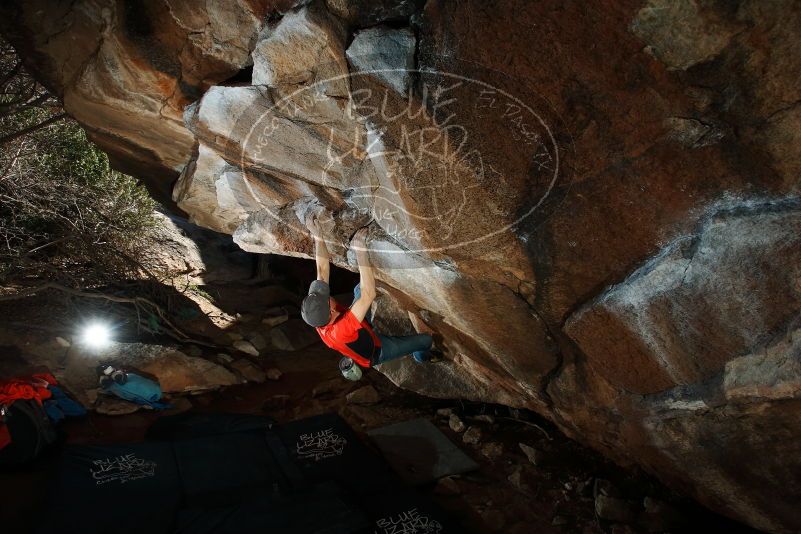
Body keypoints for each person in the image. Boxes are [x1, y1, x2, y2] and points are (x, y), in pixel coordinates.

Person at [300, 214, 440, 369]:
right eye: (326, 297)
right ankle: (421, 356)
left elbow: (321, 270)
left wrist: (318, 235)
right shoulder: (341, 330)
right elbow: (369, 294)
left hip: (357, 329)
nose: (326, 293)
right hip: (377, 350)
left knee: (358, 289)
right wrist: (361, 252)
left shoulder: (316, 314)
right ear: (331, 310)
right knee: (427, 340)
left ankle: (367, 324)